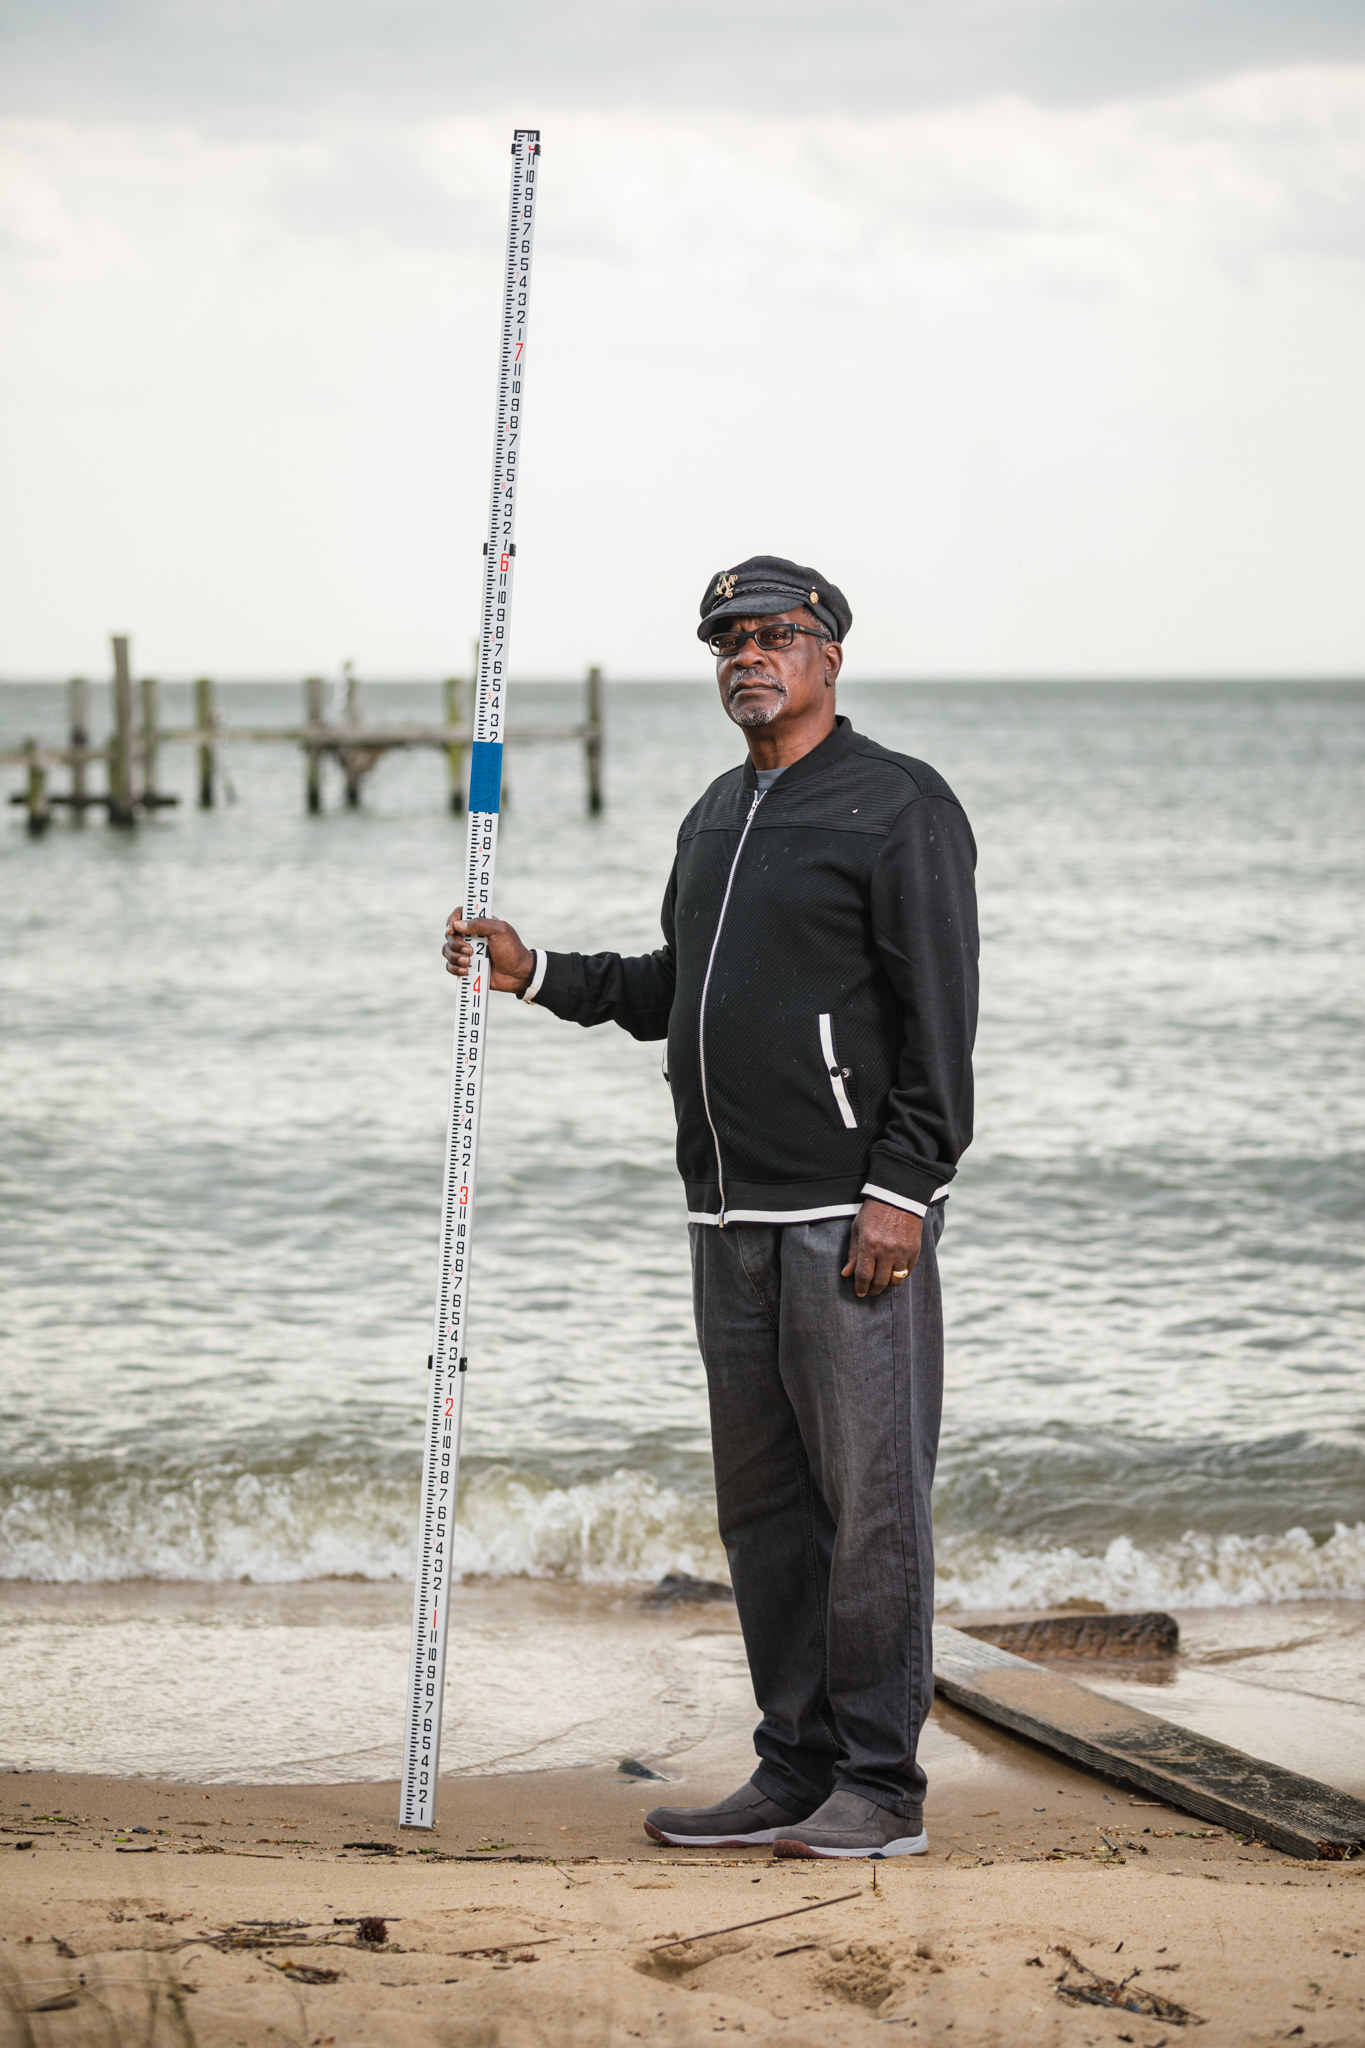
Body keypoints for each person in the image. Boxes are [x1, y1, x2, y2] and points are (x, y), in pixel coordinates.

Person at [443, 555, 978, 1860]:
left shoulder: (896, 805)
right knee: (764, 1516)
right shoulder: (713, 811)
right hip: (725, 1227)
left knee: (871, 1510)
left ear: (828, 653)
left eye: (776, 634)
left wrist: (901, 1190)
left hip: (847, 1221)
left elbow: (940, 1022)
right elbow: (681, 986)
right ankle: (792, 1769)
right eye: (727, 639)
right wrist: (539, 974)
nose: (749, 654)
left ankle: (879, 1790)